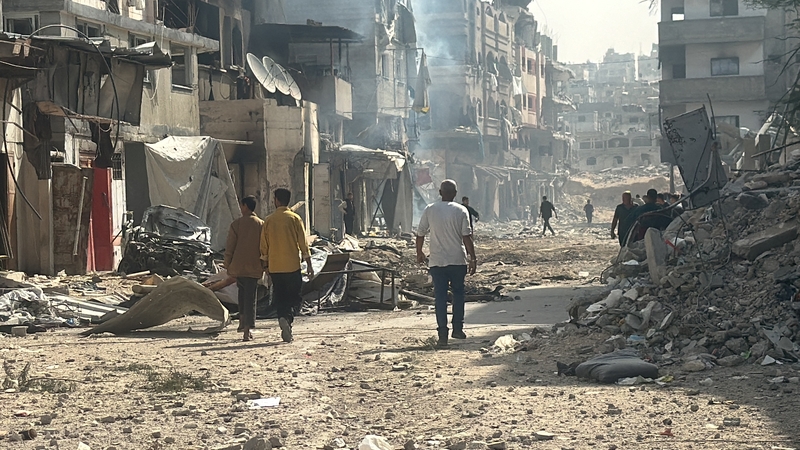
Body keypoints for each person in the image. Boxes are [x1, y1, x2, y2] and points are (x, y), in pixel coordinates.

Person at [416, 180, 478, 347]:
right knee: (458, 294)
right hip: (457, 260)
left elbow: (420, 233)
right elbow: (466, 237)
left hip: (437, 261)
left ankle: (442, 334)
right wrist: (473, 258)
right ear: (456, 193)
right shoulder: (461, 210)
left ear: (440, 192)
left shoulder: (430, 209)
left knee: (440, 297)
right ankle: (457, 328)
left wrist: (419, 253)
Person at [260, 188, 315, 343]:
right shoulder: (295, 219)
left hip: (275, 267)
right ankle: (288, 319)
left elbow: (264, 247)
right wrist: (309, 265)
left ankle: (283, 317)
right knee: (294, 297)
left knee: (280, 297)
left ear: (276, 200)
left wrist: (265, 267)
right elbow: (303, 244)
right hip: (292, 266)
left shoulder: (269, 220)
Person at [224, 196, 264, 342]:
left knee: (242, 295)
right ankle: (247, 329)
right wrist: (265, 265)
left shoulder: (236, 224)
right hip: (254, 266)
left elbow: (230, 247)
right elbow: (264, 247)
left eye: (241, 205)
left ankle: (242, 323)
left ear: (245, 206)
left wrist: (227, 263)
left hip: (239, 266)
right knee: (250, 298)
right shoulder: (261, 224)